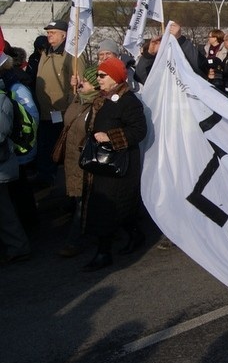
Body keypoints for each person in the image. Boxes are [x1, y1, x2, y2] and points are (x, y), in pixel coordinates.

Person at [80, 57, 148, 271]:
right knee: (110, 207)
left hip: (120, 164)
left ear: (116, 78)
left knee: (110, 207)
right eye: (98, 75)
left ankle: (103, 253)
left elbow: (139, 131)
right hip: (102, 162)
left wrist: (111, 136)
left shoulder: (129, 102)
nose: (98, 79)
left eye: (103, 75)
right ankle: (135, 234)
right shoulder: (103, 99)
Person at [57, 65, 100, 258]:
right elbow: (67, 118)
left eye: (87, 81)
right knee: (80, 201)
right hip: (72, 159)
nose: (82, 82)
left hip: (86, 160)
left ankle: (74, 241)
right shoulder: (79, 99)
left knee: (83, 202)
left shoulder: (99, 106)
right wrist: (73, 93)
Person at [34, 19, 82, 188]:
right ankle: (45, 176)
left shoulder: (72, 55)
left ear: (64, 35)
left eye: (52, 33)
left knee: (58, 148)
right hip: (44, 111)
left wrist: (67, 109)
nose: (49, 35)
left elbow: (76, 86)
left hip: (60, 112)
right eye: (48, 33)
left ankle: (58, 183)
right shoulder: (46, 53)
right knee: (45, 145)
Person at [0, 80, 30, 264]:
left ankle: (18, 247)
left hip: (1, 164)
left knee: (4, 210)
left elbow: (1, 132)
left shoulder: (2, 99)